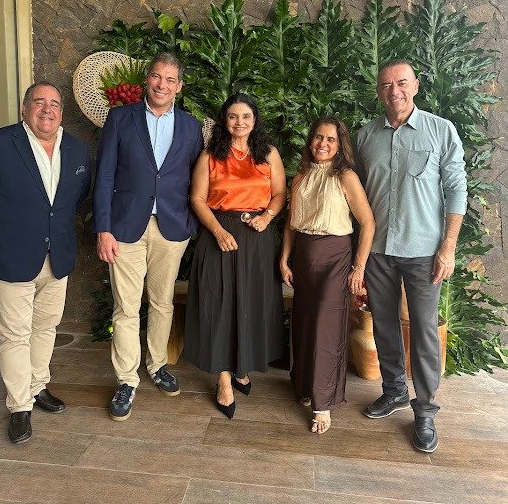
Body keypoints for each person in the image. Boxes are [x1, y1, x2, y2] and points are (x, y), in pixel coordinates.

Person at [0, 81, 91, 444]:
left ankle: (38, 386)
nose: (47, 109)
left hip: (57, 256)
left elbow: (77, 196)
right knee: (15, 334)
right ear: (25, 108)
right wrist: (6, 222)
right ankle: (20, 406)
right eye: (39, 102)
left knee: (45, 327)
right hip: (12, 254)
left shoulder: (77, 149)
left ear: (61, 111)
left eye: (54, 103)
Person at [355, 60, 467, 453]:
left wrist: (448, 247)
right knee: (384, 325)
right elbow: (357, 195)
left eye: (401, 83)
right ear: (378, 91)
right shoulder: (365, 136)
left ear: (415, 85)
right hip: (378, 251)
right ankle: (394, 391)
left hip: (424, 253)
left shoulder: (441, 130)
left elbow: (457, 189)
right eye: (386, 85)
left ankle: (425, 411)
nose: (394, 91)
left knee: (423, 330)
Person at [93, 52, 203, 421]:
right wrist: (103, 228)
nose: (162, 85)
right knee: (126, 307)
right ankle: (127, 379)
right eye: (157, 76)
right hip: (124, 229)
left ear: (179, 87)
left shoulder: (191, 127)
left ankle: (157, 365)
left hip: (172, 228)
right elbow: (104, 176)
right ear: (147, 79)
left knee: (162, 302)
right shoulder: (120, 118)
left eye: (170, 80)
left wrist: (192, 224)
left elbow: (197, 179)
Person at [184, 93, 286, 419]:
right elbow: (197, 199)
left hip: (257, 235)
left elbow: (280, 193)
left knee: (252, 304)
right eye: (232, 116)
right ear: (223, 120)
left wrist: (268, 217)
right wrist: (217, 231)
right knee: (219, 306)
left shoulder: (269, 154)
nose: (239, 122)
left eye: (245, 116)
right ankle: (224, 379)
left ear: (255, 120)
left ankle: (243, 366)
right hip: (219, 233)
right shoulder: (210, 155)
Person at [279, 117, 375, 433]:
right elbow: (291, 224)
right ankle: (305, 385)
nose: (323, 143)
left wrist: (358, 267)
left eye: (330, 139)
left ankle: (323, 403)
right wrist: (284, 259)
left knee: (326, 328)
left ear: (339, 145)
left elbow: (368, 223)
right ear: (311, 141)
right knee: (305, 323)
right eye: (318, 137)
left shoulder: (346, 177)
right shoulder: (300, 177)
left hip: (336, 257)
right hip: (304, 257)